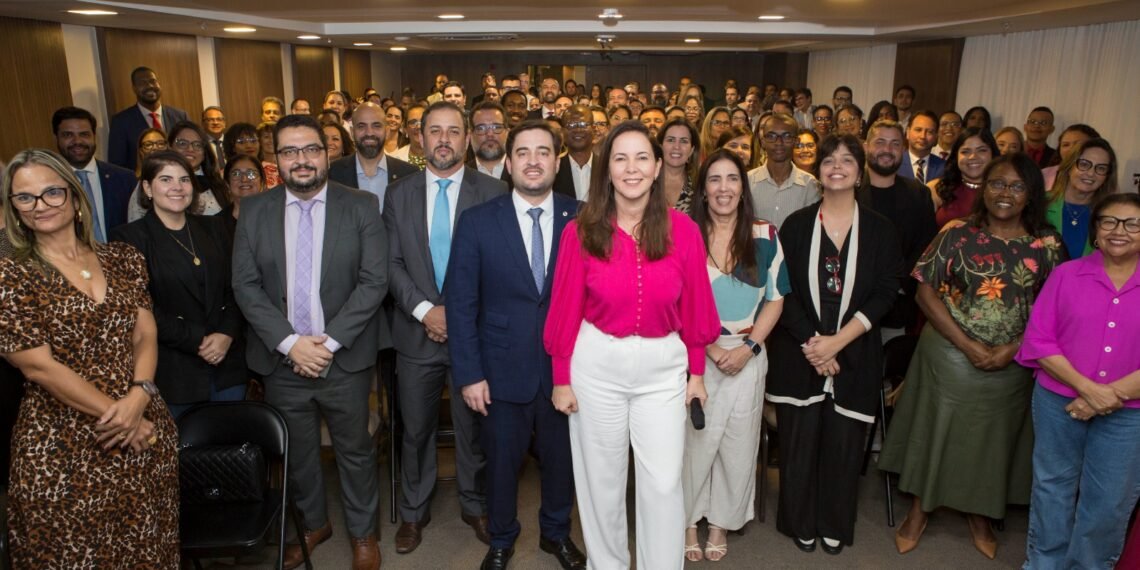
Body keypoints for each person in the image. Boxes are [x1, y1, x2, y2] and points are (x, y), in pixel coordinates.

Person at [543, 120, 720, 570]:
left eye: (642, 157)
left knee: (662, 483)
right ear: (607, 170)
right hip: (596, 365)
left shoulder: (685, 231)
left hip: (663, 368)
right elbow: (564, 310)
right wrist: (561, 378)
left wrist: (696, 373)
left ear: (659, 166)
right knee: (601, 482)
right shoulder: (580, 232)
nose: (632, 168)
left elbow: (698, 307)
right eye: (620, 158)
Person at [879, 153, 1064, 560]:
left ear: (1032, 194)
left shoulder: (1047, 244)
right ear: (984, 187)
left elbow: (1055, 309)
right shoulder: (957, 233)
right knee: (936, 434)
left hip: (1013, 361)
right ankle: (919, 510)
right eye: (997, 183)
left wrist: (1012, 350)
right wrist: (969, 346)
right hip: (947, 355)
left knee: (991, 444)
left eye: (1017, 186)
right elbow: (924, 292)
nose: (1005, 193)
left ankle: (980, 514)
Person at [0, 149, 178, 567]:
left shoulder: (121, 258)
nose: (40, 206)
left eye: (51, 193)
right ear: (13, 208)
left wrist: (138, 398)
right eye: (25, 198)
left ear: (74, 195)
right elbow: (37, 366)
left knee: (148, 549)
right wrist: (122, 418)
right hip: (62, 449)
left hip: (145, 432)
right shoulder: (10, 275)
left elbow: (146, 334)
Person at [231, 114, 386, 569]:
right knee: (298, 453)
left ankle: (363, 532)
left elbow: (373, 282)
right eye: (289, 152)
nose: (302, 160)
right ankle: (314, 523)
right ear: (275, 159)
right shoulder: (255, 209)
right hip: (282, 362)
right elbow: (245, 285)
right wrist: (289, 343)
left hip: (344, 357)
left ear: (327, 152)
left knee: (355, 451)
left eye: (311, 150)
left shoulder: (360, 206)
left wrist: (327, 343)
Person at [447, 121, 587, 570]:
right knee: (502, 464)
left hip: (566, 370)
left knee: (561, 462)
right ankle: (502, 538)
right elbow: (462, 303)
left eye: (542, 151)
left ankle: (556, 534)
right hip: (499, 369)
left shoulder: (583, 218)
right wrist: (469, 374)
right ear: (508, 163)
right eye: (522, 152)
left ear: (557, 160)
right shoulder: (477, 221)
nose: (532, 160)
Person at [766, 134, 902, 555]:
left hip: (855, 349)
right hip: (800, 348)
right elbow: (781, 291)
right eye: (829, 160)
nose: (837, 166)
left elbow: (886, 290)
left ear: (860, 172)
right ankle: (800, 521)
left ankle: (833, 523)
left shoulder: (880, 229)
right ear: (818, 171)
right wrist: (814, 343)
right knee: (799, 443)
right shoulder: (797, 224)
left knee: (844, 445)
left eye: (847, 160)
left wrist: (838, 342)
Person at [384, 101, 507, 554]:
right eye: (434, 131)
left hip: (472, 334)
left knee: (473, 425)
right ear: (419, 137)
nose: (443, 140)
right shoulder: (399, 194)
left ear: (468, 138)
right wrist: (424, 311)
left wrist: (455, 316)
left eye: (453, 131)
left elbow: (497, 268)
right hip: (416, 333)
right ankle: (414, 511)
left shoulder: (493, 193)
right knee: (415, 428)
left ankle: (475, 505)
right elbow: (390, 264)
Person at [1017, 193, 1140, 569]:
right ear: (1096, 230)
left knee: (1109, 501)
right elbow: (1038, 339)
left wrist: (1105, 397)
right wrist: (1088, 390)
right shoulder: (1066, 274)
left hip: (1129, 414)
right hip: (1059, 402)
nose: (1119, 231)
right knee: (1052, 489)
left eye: (1132, 223)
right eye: (1109, 221)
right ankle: (1043, 564)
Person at [683, 150, 789, 562]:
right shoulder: (686, 234)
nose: (723, 188)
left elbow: (776, 299)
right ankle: (688, 520)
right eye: (714, 180)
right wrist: (708, 347)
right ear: (703, 189)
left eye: (732, 179)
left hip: (748, 352)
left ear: (743, 188)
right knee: (694, 443)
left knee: (738, 444)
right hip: (696, 354)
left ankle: (722, 523)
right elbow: (675, 300)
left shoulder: (765, 235)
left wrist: (748, 348)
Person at [110, 151, 247, 418]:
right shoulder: (128, 238)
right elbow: (140, 308)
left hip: (227, 365)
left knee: (231, 452)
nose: (177, 187)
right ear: (148, 188)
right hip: (174, 371)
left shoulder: (215, 227)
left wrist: (226, 333)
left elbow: (238, 287)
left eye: (184, 179)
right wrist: (198, 339)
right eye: (166, 179)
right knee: (182, 455)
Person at [859, 120, 938, 338]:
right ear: (866, 146)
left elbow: (926, 247)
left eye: (895, 144)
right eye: (880, 142)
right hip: (850, 304)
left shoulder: (918, 194)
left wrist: (896, 284)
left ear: (903, 149)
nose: (887, 150)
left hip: (898, 305)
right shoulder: (849, 192)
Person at [51, 106, 137, 242]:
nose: (77, 141)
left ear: (94, 136)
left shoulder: (125, 179)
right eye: (68, 135)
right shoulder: (49, 184)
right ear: (56, 138)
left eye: (84, 134)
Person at [1045, 138, 1118, 259]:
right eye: (1084, 164)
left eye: (1101, 168)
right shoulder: (1040, 203)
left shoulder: (1111, 215)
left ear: (1107, 176)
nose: (1090, 173)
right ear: (1069, 166)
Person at [107, 66, 189, 170]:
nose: (149, 86)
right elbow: (117, 166)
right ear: (134, 88)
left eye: (153, 81)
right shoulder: (120, 122)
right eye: (142, 83)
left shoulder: (181, 116)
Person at [747, 113, 819, 228]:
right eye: (771, 136)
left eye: (786, 136)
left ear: (796, 141)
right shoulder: (748, 181)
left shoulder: (810, 184)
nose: (779, 143)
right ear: (763, 141)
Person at [930, 127, 999, 228]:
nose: (973, 157)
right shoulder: (936, 188)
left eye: (982, 150)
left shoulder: (1003, 191)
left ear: (993, 154)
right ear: (956, 156)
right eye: (965, 151)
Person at [167, 121, 227, 214]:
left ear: (204, 152)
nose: (190, 149)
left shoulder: (218, 182)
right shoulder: (158, 182)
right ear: (170, 147)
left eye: (197, 145)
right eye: (182, 143)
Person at [216, 153, 266, 240]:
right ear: (227, 183)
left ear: (262, 182)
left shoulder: (278, 217)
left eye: (252, 174)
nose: (244, 179)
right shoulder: (216, 224)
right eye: (236, 174)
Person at [657, 118, 698, 214]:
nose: (677, 146)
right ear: (660, 146)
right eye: (671, 140)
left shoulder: (699, 185)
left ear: (692, 150)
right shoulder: (647, 182)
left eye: (684, 141)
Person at [391, 104, 426, 169]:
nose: (418, 126)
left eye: (423, 121)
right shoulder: (395, 159)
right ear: (405, 129)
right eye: (413, 122)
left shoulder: (445, 156)